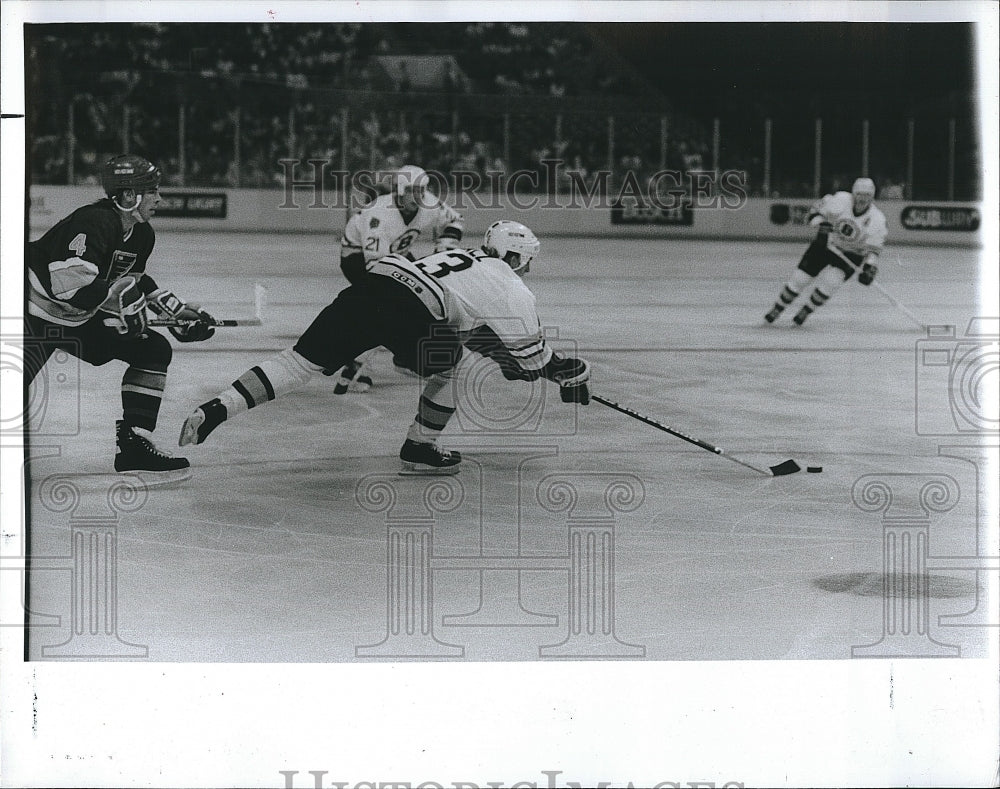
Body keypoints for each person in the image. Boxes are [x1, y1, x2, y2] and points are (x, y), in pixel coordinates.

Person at [179, 221, 590, 474]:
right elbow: (529, 362)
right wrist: (570, 370)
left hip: (372, 288)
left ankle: (218, 408)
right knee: (448, 368)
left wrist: (538, 365)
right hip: (412, 314)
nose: (529, 268)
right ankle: (419, 446)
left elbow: (482, 336)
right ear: (517, 258)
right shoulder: (509, 285)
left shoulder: (458, 257)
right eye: (528, 260)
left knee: (298, 362)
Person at [25, 154, 217, 474]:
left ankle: (133, 446)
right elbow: (68, 284)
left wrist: (176, 312)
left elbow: (132, 282)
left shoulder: (142, 234)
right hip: (30, 313)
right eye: (152, 190)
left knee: (153, 348)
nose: (159, 198)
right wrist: (124, 305)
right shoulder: (95, 221)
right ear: (129, 196)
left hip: (75, 318)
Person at [332, 164, 464, 393]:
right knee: (383, 307)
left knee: (419, 300)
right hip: (357, 257)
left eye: (422, 190)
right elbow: (376, 267)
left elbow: (455, 220)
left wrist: (444, 247)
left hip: (396, 255)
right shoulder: (379, 215)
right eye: (412, 191)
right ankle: (359, 360)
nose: (419, 197)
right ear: (399, 191)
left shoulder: (430, 204)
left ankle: (403, 356)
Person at [764, 177, 887, 326]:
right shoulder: (840, 199)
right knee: (800, 279)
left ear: (872, 196)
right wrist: (821, 224)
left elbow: (873, 250)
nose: (863, 199)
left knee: (831, 282)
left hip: (852, 254)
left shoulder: (877, 219)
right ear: (853, 193)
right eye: (860, 194)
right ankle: (778, 308)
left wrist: (869, 267)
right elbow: (813, 213)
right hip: (827, 244)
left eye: (867, 195)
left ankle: (806, 311)